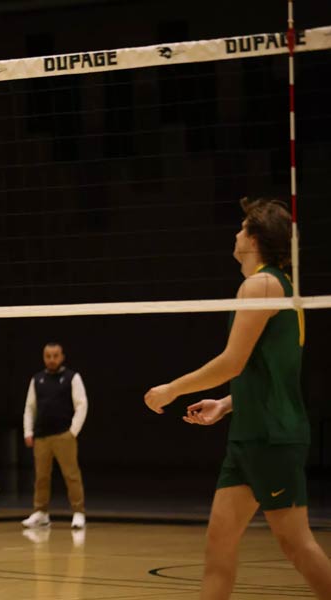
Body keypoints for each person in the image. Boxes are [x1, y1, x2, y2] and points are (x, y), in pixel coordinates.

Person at [145, 198, 331, 600]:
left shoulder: (261, 284)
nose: (235, 233)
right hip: (250, 434)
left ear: (255, 237)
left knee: (296, 545)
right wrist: (228, 404)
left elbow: (232, 362)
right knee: (220, 544)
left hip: (271, 437)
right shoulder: (274, 287)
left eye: (242, 227)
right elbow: (263, 370)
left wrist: (171, 389)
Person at [21, 343, 88, 530]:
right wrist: (28, 431)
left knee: (71, 475)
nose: (52, 359)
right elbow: (29, 407)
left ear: (62, 357)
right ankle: (41, 513)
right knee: (41, 476)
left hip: (64, 435)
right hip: (41, 437)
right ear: (44, 358)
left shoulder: (72, 377)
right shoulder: (37, 379)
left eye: (55, 355)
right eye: (48, 356)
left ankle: (78, 512)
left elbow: (82, 405)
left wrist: (73, 431)